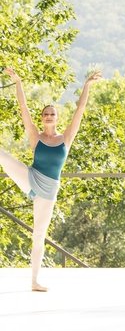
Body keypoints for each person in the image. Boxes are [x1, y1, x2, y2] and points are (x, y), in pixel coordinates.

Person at [0, 68, 101, 291]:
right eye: (45, 114)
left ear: (56, 118)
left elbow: (80, 110)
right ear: (42, 118)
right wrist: (18, 82)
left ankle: (34, 281)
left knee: (39, 235)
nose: (48, 116)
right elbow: (23, 109)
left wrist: (86, 85)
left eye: (52, 114)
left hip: (48, 191)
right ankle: (34, 280)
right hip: (30, 177)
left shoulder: (66, 138)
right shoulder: (35, 137)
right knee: (2, 155)